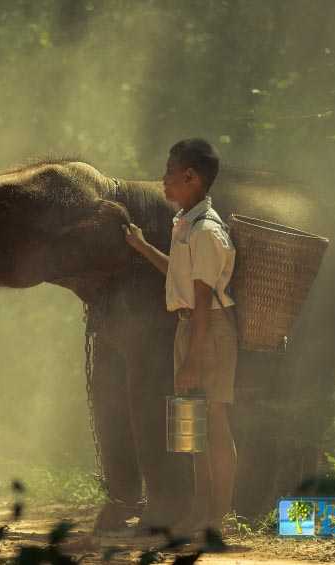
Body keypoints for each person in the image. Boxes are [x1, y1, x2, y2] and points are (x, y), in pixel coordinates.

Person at [122, 139, 238, 536]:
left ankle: (216, 519)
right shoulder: (186, 223)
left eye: (170, 172)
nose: (164, 179)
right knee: (192, 425)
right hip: (190, 325)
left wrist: (193, 357)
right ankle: (199, 513)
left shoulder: (205, 230)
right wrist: (141, 247)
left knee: (215, 422)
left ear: (191, 176)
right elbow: (182, 278)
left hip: (208, 329)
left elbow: (203, 299)